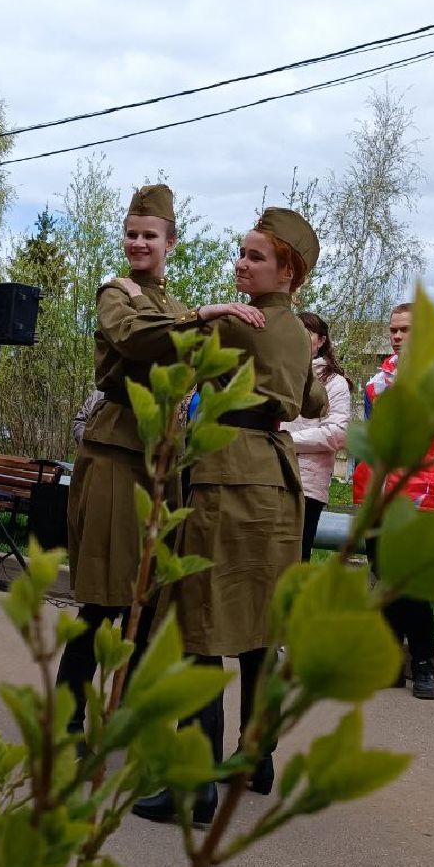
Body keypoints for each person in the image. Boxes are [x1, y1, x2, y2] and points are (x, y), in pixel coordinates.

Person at [133, 207, 326, 825]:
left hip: (225, 477)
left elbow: (155, 344)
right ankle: (255, 758)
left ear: (287, 270)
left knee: (202, 623)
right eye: (241, 254)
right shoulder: (297, 330)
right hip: (276, 480)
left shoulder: (239, 325)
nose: (241, 264)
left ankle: (194, 786)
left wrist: (202, 314)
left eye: (255, 257)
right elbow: (311, 399)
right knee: (261, 627)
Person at [56, 184, 258, 747]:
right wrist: (204, 316)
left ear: (171, 241)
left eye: (149, 235)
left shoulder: (173, 307)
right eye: (131, 234)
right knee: (101, 598)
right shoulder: (116, 294)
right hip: (116, 455)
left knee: (147, 601)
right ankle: (69, 719)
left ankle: (127, 717)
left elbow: (196, 358)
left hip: (162, 463)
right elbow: (135, 339)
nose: (138, 243)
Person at [356, 302, 434, 700]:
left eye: (406, 330)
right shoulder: (378, 384)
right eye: (393, 330)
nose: (396, 336)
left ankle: (424, 663)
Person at [282, 311, 352, 562]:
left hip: (306, 485)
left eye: (307, 333)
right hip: (271, 475)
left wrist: (286, 441)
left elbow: (338, 433)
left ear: (321, 340)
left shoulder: (334, 382)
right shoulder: (279, 373)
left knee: (295, 559)